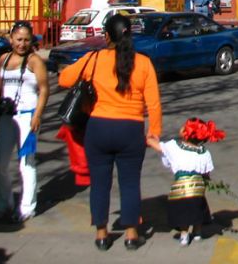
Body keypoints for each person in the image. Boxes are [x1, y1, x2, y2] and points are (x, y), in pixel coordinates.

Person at [58, 14, 162, 252]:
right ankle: (131, 234)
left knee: (100, 183)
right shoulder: (143, 63)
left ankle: (102, 235)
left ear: (106, 35)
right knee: (130, 183)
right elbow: (154, 103)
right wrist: (153, 132)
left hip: (99, 128)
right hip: (131, 129)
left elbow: (64, 79)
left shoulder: (93, 59)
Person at [0, 20, 49, 223]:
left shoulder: (35, 61)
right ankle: (2, 203)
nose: (22, 44)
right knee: (0, 162)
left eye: (26, 40)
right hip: (7, 117)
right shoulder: (5, 60)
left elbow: (44, 89)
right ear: (11, 38)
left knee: (26, 163)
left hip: (27, 116)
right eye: (18, 39)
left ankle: (26, 207)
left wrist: (38, 115)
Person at [146, 117, 225, 247]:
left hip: (181, 188)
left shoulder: (174, 146)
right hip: (198, 187)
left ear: (186, 133)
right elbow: (206, 173)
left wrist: (149, 139)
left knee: (182, 211)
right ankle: (198, 232)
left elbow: (158, 147)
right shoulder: (204, 153)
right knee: (198, 208)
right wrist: (204, 182)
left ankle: (184, 235)